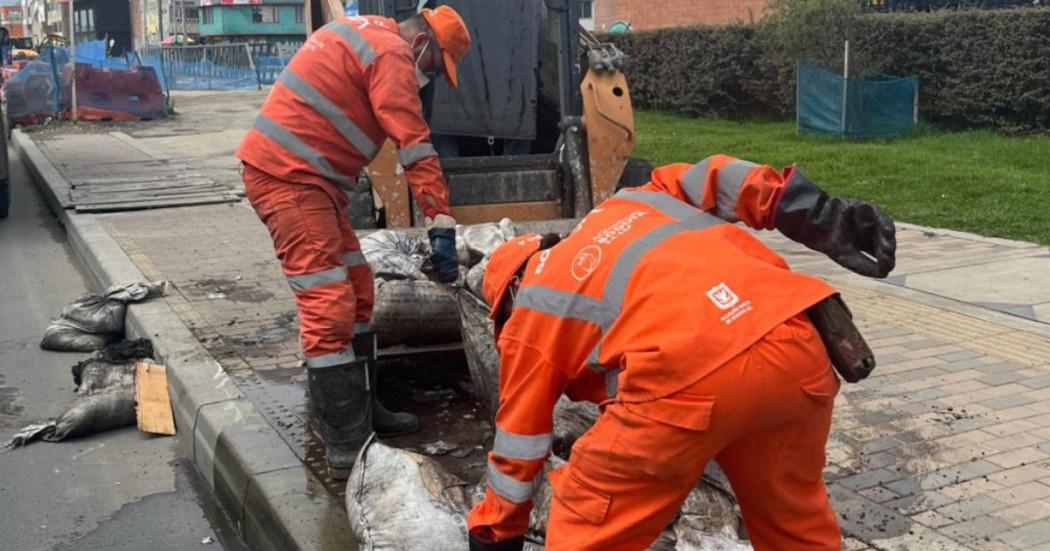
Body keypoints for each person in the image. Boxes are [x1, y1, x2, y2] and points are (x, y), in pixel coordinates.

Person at [467, 155, 896, 550]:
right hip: (796, 341)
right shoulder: (633, 202)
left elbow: (519, 443)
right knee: (793, 519)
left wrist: (496, 531)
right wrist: (818, 213)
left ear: (510, 291)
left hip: (688, 377)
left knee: (587, 514)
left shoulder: (531, 307)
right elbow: (720, 175)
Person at [235, 7, 471, 479]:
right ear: (423, 43)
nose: (428, 79)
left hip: (309, 181)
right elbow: (414, 144)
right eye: (432, 68)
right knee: (328, 301)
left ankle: (360, 411)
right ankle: (347, 443)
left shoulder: (366, 32)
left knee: (360, 287)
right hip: (289, 180)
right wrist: (440, 220)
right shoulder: (392, 55)